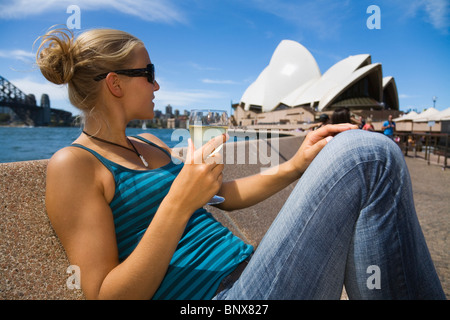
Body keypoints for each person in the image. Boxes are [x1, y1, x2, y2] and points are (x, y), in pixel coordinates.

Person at [37, 27, 445, 300]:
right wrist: (177, 205)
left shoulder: (148, 143)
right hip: (222, 299)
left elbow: (224, 197)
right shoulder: (74, 165)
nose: (157, 84)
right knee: (366, 155)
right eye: (148, 72)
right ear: (115, 83)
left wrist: (297, 164)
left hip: (255, 271)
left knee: (367, 154)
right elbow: (104, 294)